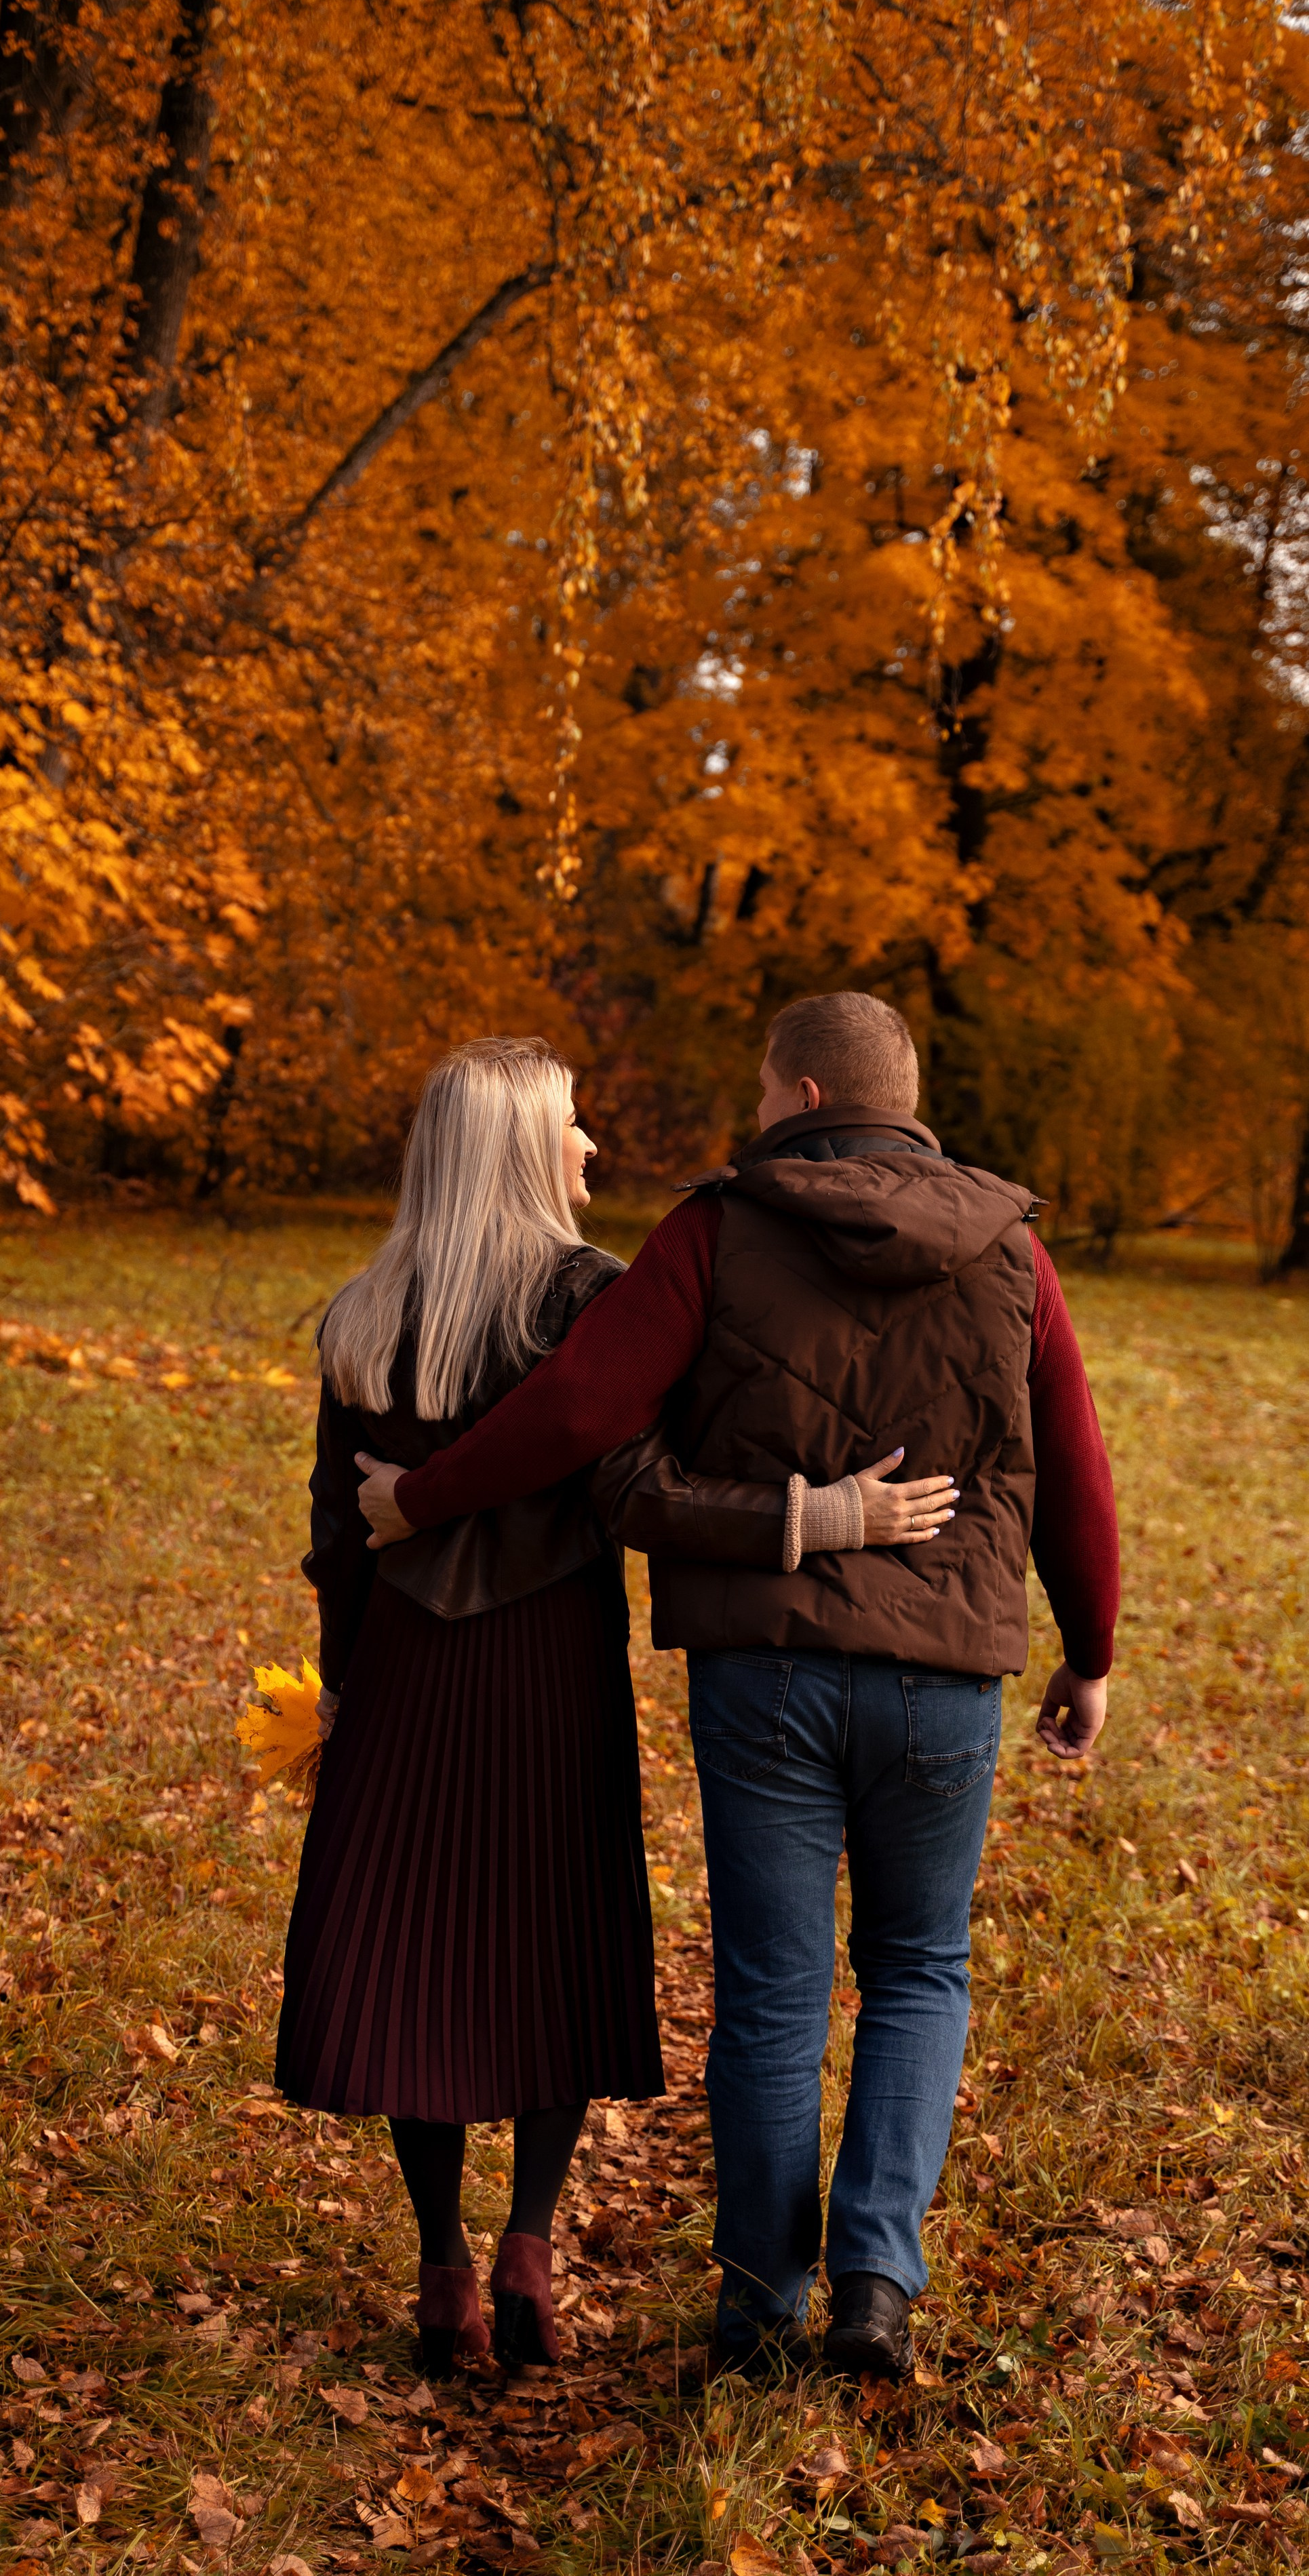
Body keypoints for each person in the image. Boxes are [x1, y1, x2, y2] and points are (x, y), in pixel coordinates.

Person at [355, 993, 1120, 2383]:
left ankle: (762, 2304)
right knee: (919, 1969)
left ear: (805, 1093)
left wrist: (422, 1493)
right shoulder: (1011, 1243)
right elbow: (1071, 1452)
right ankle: (875, 2282)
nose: (755, 1115)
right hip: (943, 1674)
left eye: (765, 1091)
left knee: (773, 1989)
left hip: (765, 1671)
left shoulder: (717, 1227)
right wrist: (1091, 1647)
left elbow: (582, 1410)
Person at [277, 1032, 957, 2377]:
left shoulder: (362, 1316)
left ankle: (443, 2266)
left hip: (408, 1663)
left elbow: (336, 1533)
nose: (589, 1142)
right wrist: (818, 1514)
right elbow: (645, 1488)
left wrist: (342, 1678)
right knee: (553, 1941)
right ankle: (529, 2245)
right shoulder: (591, 1296)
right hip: (549, 1661)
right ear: (520, 1150)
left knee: (422, 1954)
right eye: (571, 1122)